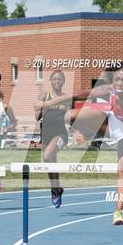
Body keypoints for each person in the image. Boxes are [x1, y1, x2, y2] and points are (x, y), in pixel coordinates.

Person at [35, 62, 123, 225]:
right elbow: (74, 96)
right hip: (110, 125)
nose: (119, 83)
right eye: (116, 79)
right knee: (69, 115)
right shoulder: (107, 90)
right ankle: (92, 132)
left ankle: (118, 212)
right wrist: (45, 104)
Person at [35, 70, 70, 208]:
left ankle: (56, 189)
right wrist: (44, 107)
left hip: (60, 133)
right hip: (46, 133)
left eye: (60, 79)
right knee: (50, 163)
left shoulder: (67, 98)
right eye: (54, 79)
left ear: (63, 81)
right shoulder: (44, 96)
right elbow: (36, 117)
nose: (57, 81)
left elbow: (72, 116)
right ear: (50, 81)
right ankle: (56, 189)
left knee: (48, 156)